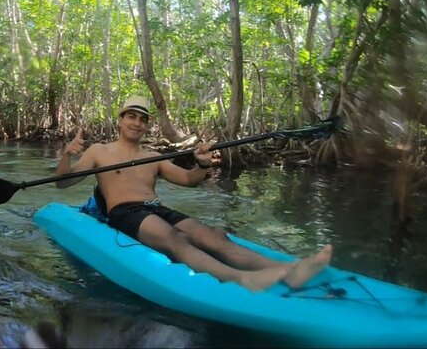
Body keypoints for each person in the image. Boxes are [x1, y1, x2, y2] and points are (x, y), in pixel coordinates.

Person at [55, 95, 333, 292]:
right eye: (131, 116)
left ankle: (290, 271)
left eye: (142, 119)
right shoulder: (99, 152)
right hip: (124, 212)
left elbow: (189, 180)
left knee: (215, 236)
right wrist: (67, 155)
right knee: (176, 238)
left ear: (147, 125)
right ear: (120, 119)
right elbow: (63, 183)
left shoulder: (153, 156)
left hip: (155, 208)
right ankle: (240, 279)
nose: (136, 123)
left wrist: (202, 163)